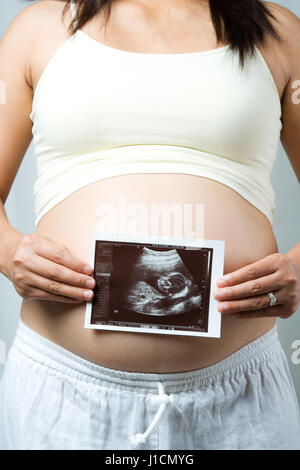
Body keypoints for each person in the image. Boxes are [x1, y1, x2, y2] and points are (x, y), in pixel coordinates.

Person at [0, 0, 299, 450]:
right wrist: (6, 250)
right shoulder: (38, 30)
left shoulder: (278, 32)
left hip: (239, 397)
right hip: (67, 395)